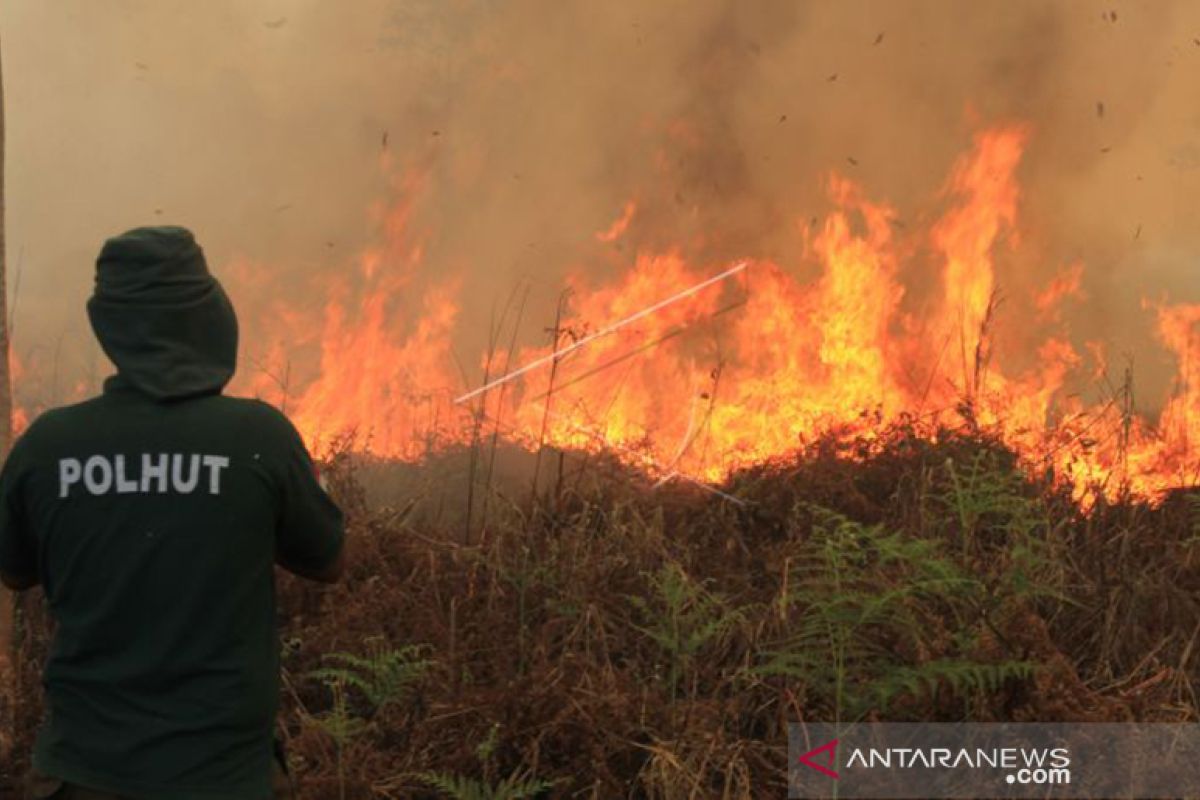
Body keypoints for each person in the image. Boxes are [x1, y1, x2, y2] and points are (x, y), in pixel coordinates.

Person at [0, 226, 345, 799]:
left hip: (84, 774)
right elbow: (328, 561)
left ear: (109, 325)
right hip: (226, 777)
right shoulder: (257, 436)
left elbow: (13, 572)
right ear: (208, 318)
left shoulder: (46, 445)